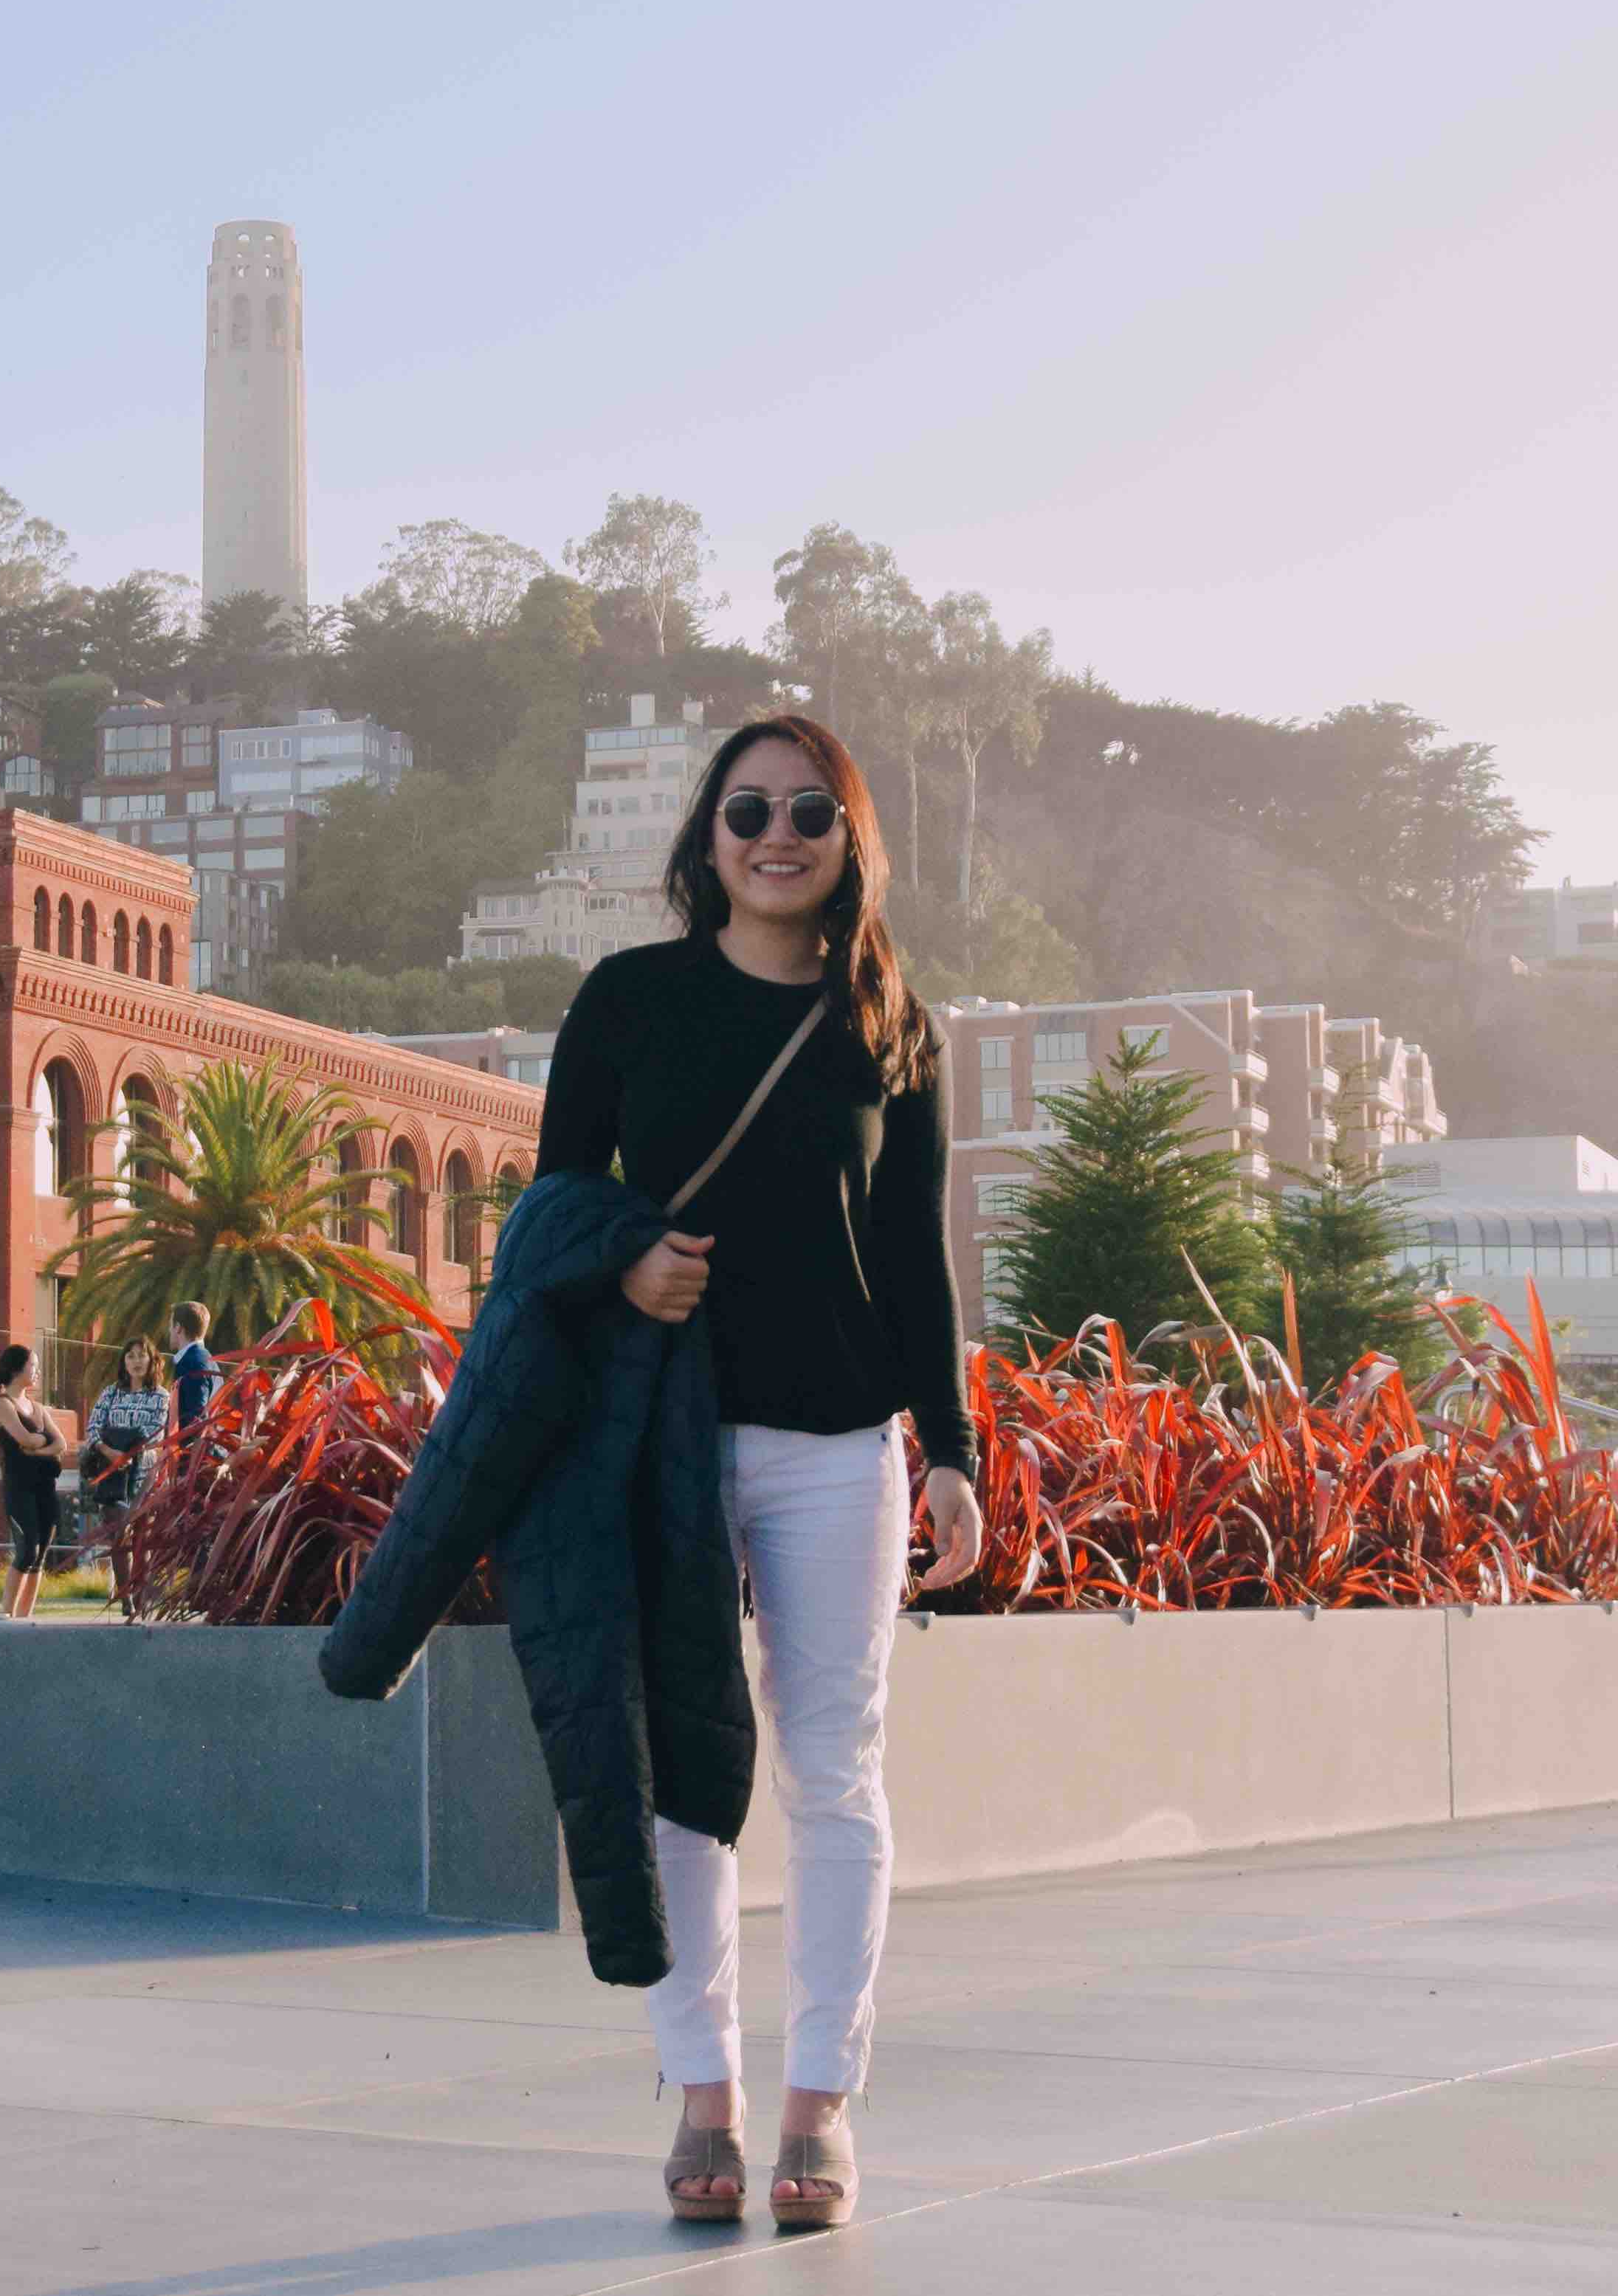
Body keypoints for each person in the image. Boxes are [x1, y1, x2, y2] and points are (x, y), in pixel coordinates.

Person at [537, 711, 984, 2230]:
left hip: (838, 1443)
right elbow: (549, 1207)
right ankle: (701, 2095)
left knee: (832, 1773)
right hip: (661, 1431)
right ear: (706, 837)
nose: (776, 836)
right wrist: (625, 1265)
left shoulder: (890, 1025)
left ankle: (819, 2105)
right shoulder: (627, 1000)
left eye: (807, 812)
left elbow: (914, 1258)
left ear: (850, 840)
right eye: (747, 811)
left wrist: (949, 1449)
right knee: (686, 1776)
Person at [0, 1343, 66, 1620]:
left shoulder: (39, 1408)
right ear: (17, 1369)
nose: (38, 1371)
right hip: (19, 1488)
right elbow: (25, 1438)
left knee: (41, 1554)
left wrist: (37, 1449)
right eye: (34, 1365)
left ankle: (24, 1618)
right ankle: (7, 1615)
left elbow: (61, 1444)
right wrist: (42, 1441)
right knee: (27, 1549)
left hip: (45, 1487)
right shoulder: (2, 1404)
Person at [77, 1337, 176, 1551]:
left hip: (145, 1478)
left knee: (142, 1543)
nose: (136, 1361)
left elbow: (154, 1434)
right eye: (131, 1356)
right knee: (119, 1541)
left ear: (152, 1360)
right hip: (112, 1475)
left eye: (142, 1355)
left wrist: (127, 1453)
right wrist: (109, 1451)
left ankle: (140, 1576)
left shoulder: (161, 1396)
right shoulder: (110, 1393)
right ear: (124, 1362)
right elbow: (93, 1428)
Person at [166, 1300, 221, 1430]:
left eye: (170, 1325)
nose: (169, 1330)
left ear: (178, 1328)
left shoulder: (193, 1363)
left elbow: (196, 1419)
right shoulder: (208, 1360)